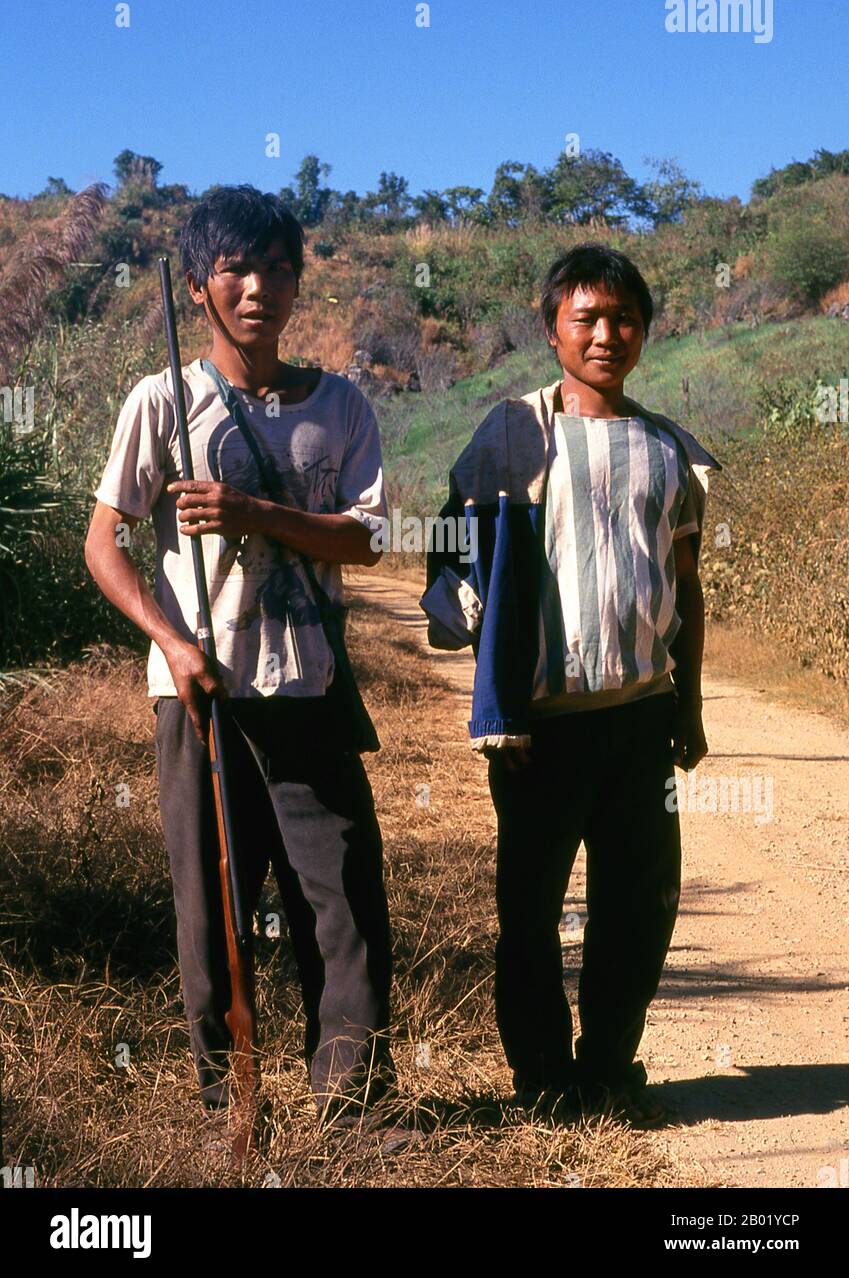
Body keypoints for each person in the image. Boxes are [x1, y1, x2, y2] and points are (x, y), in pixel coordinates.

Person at [85, 185, 395, 1142]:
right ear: (199, 284)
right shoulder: (163, 399)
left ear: (300, 281)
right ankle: (232, 1107)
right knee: (211, 907)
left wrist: (256, 513)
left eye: (275, 268)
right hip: (201, 697)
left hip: (309, 689)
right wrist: (172, 644)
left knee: (341, 902)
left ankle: (351, 1109)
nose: (256, 287)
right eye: (233, 270)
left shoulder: (340, 404)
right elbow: (104, 543)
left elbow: (369, 542)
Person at [421, 243, 720, 1128]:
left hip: (640, 717)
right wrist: (474, 624)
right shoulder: (511, 434)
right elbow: (446, 560)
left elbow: (686, 587)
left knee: (639, 906)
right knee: (530, 912)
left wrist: (690, 704)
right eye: (584, 317)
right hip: (538, 730)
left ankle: (606, 1070)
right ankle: (542, 1082)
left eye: (622, 318)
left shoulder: (671, 451)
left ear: (643, 332)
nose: (605, 334)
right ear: (551, 328)